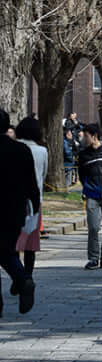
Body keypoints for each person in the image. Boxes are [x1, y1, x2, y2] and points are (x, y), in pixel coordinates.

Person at [0, 108, 39, 315]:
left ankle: (23, 280)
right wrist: (35, 204)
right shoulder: (21, 150)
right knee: (5, 250)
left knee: (4, 253)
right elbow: (32, 182)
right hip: (15, 211)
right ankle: (23, 280)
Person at [15, 117, 48, 279]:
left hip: (15, 200)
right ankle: (28, 275)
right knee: (31, 244)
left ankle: (17, 275)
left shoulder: (15, 147)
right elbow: (44, 174)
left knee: (14, 242)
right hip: (35, 200)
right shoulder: (42, 151)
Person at [78, 124, 102, 270]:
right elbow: (81, 175)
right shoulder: (83, 155)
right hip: (92, 195)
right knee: (93, 228)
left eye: (86, 136)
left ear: (94, 136)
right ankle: (93, 258)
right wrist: (87, 188)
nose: (84, 138)